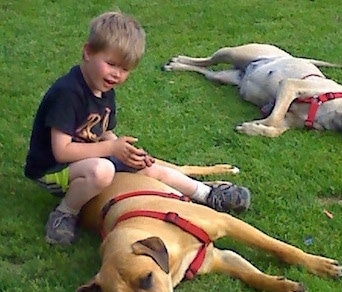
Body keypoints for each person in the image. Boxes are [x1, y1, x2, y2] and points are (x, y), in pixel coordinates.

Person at [24, 11, 251, 245]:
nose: (116, 74)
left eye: (124, 69)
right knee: (102, 170)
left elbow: (102, 132)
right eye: (111, 64)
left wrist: (127, 154)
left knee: (149, 167)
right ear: (88, 52)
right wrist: (111, 148)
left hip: (85, 162)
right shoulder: (67, 93)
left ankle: (206, 194)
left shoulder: (104, 90)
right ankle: (65, 213)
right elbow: (62, 151)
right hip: (53, 169)